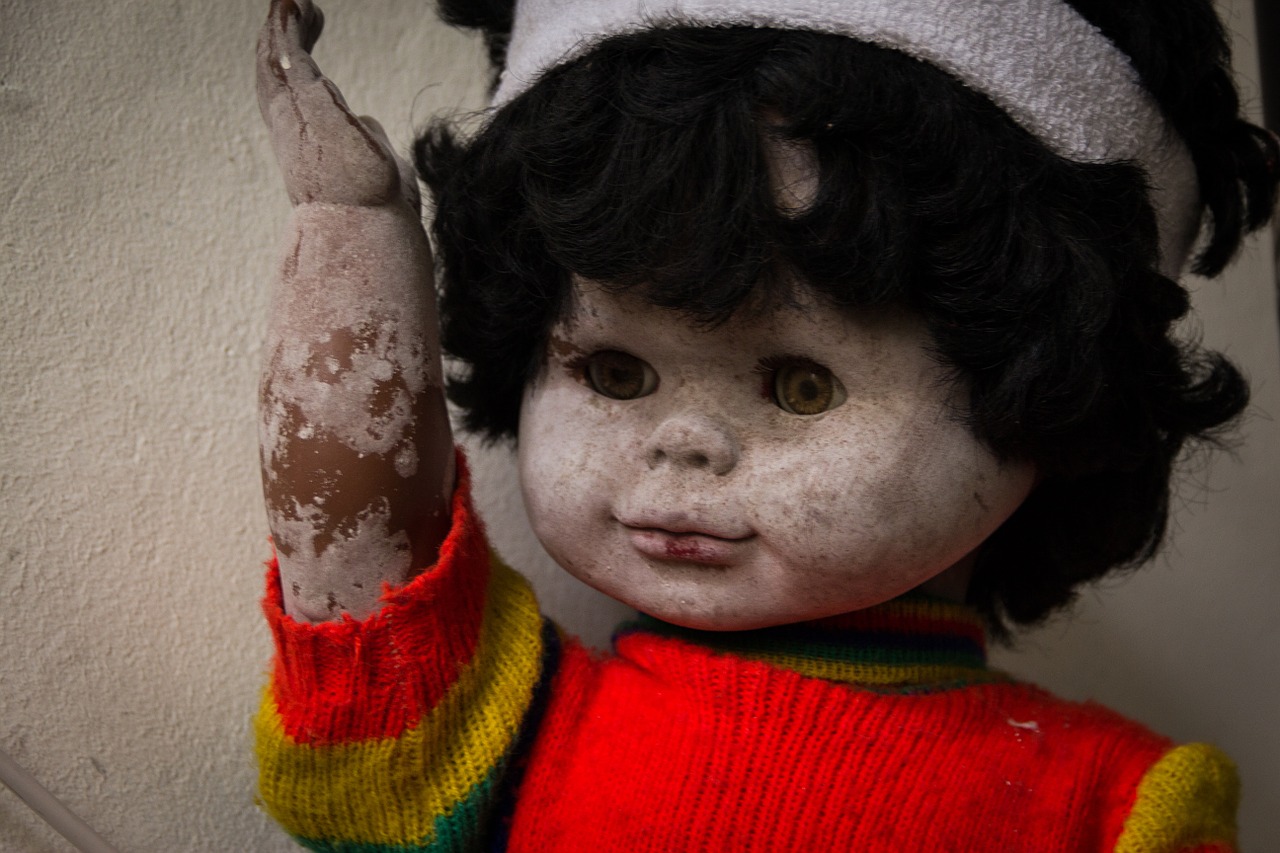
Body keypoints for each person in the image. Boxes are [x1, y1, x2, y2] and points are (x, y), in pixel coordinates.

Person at [252, 0, 1277, 848]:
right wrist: (353, 245)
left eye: (801, 385)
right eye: (614, 371)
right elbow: (364, 630)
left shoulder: (1117, 809)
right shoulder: (510, 732)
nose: (682, 442)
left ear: (1048, 398)